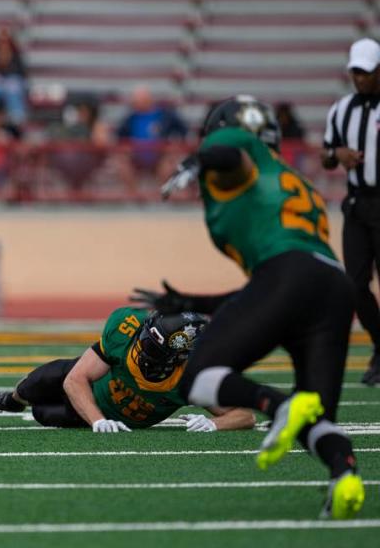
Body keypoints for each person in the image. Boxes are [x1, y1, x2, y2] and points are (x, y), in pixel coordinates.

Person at [148, 95, 364, 519]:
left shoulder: (231, 149)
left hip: (290, 276)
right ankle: (345, 475)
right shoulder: (292, 180)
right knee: (318, 416)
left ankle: (275, 405)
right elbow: (267, 292)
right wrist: (194, 301)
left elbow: (229, 153)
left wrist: (199, 159)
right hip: (331, 287)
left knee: (196, 379)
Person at [0, 307, 255, 433]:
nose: (141, 347)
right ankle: (9, 401)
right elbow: (76, 379)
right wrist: (98, 421)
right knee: (42, 380)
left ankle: (28, 405)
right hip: (92, 396)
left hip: (114, 418)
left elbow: (245, 415)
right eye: (145, 339)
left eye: (153, 348)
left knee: (42, 414)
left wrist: (215, 423)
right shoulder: (127, 327)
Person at [322, 38, 380, 385]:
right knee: (354, 285)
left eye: (366, 72)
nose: (360, 78)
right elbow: (326, 155)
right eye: (356, 72)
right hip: (358, 203)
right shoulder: (342, 109)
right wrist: (338, 155)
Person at [114, 86, 187, 196]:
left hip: (161, 157)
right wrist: (125, 150)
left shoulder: (166, 115)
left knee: (168, 165)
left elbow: (183, 130)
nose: (134, 103)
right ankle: (134, 197)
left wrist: (175, 145)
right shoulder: (131, 117)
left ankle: (163, 196)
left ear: (148, 99)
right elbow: (120, 137)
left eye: (137, 100)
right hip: (136, 158)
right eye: (134, 100)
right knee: (122, 164)